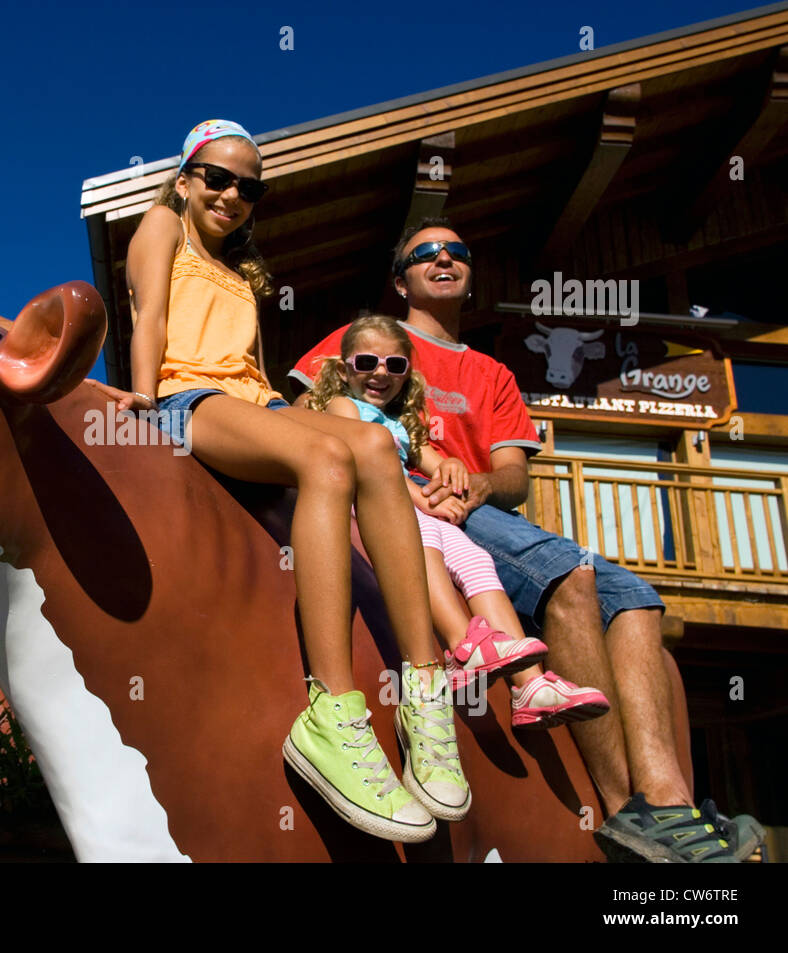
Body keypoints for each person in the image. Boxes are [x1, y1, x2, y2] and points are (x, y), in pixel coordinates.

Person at [290, 219, 764, 862]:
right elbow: (302, 412)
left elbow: (513, 474)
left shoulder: (493, 373)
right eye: (425, 253)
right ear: (400, 281)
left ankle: (669, 802)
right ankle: (625, 808)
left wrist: (476, 484)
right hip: (401, 496)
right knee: (571, 573)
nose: (444, 259)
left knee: (639, 598)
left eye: (457, 251)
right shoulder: (369, 340)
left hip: (475, 504)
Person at [90, 120, 468, 844]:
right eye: (218, 178)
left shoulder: (244, 275)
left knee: (373, 447)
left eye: (248, 187)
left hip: (249, 402)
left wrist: (310, 416)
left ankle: (425, 687)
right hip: (184, 400)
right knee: (325, 462)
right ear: (185, 178)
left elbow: (258, 378)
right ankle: (331, 710)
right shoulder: (162, 225)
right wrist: (140, 397)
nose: (232, 194)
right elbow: (149, 315)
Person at [309, 314, 610, 728]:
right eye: (367, 363)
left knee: (477, 561)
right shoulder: (343, 407)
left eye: (394, 365)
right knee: (424, 550)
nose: (380, 373)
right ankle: (463, 646)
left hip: (412, 505)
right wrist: (418, 497)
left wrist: (449, 465)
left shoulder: (397, 425)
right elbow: (365, 461)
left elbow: (430, 462)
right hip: (379, 506)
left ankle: (530, 683)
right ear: (345, 370)